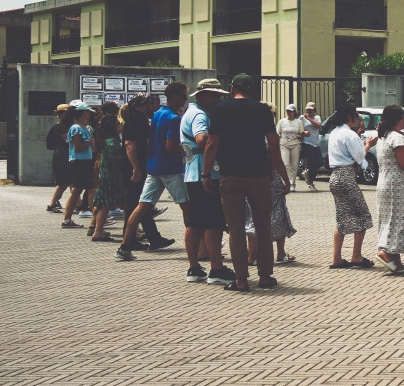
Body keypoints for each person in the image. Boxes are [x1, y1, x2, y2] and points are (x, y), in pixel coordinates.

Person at [203, 74, 290, 292]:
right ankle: (265, 276)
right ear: (252, 90)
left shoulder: (220, 110)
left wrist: (205, 173)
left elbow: (212, 143)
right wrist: (277, 170)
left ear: (232, 88)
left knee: (236, 229)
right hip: (259, 175)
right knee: (263, 225)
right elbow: (273, 142)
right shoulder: (262, 110)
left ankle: (241, 279)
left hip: (230, 175)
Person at [120, 81, 190, 259]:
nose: (185, 99)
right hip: (171, 168)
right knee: (187, 207)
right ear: (175, 96)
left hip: (153, 167)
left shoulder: (158, 114)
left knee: (141, 207)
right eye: (183, 95)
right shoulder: (174, 118)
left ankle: (124, 247)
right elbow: (170, 146)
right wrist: (187, 147)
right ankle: (197, 248)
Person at [180, 79, 232, 284]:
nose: (218, 99)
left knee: (194, 222)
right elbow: (202, 139)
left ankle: (194, 268)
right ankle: (216, 269)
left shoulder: (191, 112)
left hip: (192, 173)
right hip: (205, 174)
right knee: (213, 223)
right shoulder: (200, 115)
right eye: (215, 95)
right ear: (203, 96)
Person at [370, 104, 404, 274]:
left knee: (392, 221)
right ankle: (385, 252)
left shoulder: (383, 137)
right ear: (399, 119)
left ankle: (396, 261)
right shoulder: (397, 137)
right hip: (396, 184)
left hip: (384, 183)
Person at [326, 104, 376, 269]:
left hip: (334, 177)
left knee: (341, 217)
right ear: (349, 116)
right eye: (355, 114)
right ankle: (356, 256)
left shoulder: (334, 132)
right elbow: (360, 159)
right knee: (362, 215)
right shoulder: (350, 134)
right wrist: (368, 145)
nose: (358, 118)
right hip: (346, 176)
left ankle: (337, 258)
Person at [87, 102, 130, 244]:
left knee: (103, 205)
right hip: (113, 177)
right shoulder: (112, 142)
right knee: (108, 205)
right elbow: (115, 161)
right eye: (117, 124)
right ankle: (99, 231)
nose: (120, 125)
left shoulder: (105, 140)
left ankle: (97, 230)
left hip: (106, 176)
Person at [60, 106, 95, 230]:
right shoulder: (76, 128)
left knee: (77, 191)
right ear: (83, 113)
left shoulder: (86, 128)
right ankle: (96, 218)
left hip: (85, 161)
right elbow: (78, 147)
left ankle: (67, 219)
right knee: (90, 189)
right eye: (87, 112)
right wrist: (90, 142)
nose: (89, 114)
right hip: (79, 162)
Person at [45, 103, 73, 213]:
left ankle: (78, 203)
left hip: (64, 154)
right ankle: (52, 204)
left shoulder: (63, 126)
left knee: (69, 181)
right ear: (61, 114)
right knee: (63, 182)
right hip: (62, 156)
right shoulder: (61, 126)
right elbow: (68, 140)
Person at [276, 105, 303, 192]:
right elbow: (278, 133)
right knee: (285, 164)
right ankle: (285, 182)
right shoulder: (282, 121)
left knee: (294, 165)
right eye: (287, 111)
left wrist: (300, 136)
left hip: (295, 144)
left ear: (294, 112)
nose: (289, 113)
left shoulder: (298, 122)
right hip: (284, 145)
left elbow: (301, 134)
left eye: (290, 111)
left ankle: (292, 183)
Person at [298, 102, 323, 191]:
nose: (309, 111)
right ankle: (310, 182)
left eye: (311, 110)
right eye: (308, 109)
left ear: (314, 110)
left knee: (320, 162)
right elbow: (297, 128)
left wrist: (308, 118)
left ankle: (307, 172)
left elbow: (318, 125)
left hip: (315, 143)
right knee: (313, 162)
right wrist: (303, 132)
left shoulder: (317, 117)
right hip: (306, 142)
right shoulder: (301, 118)